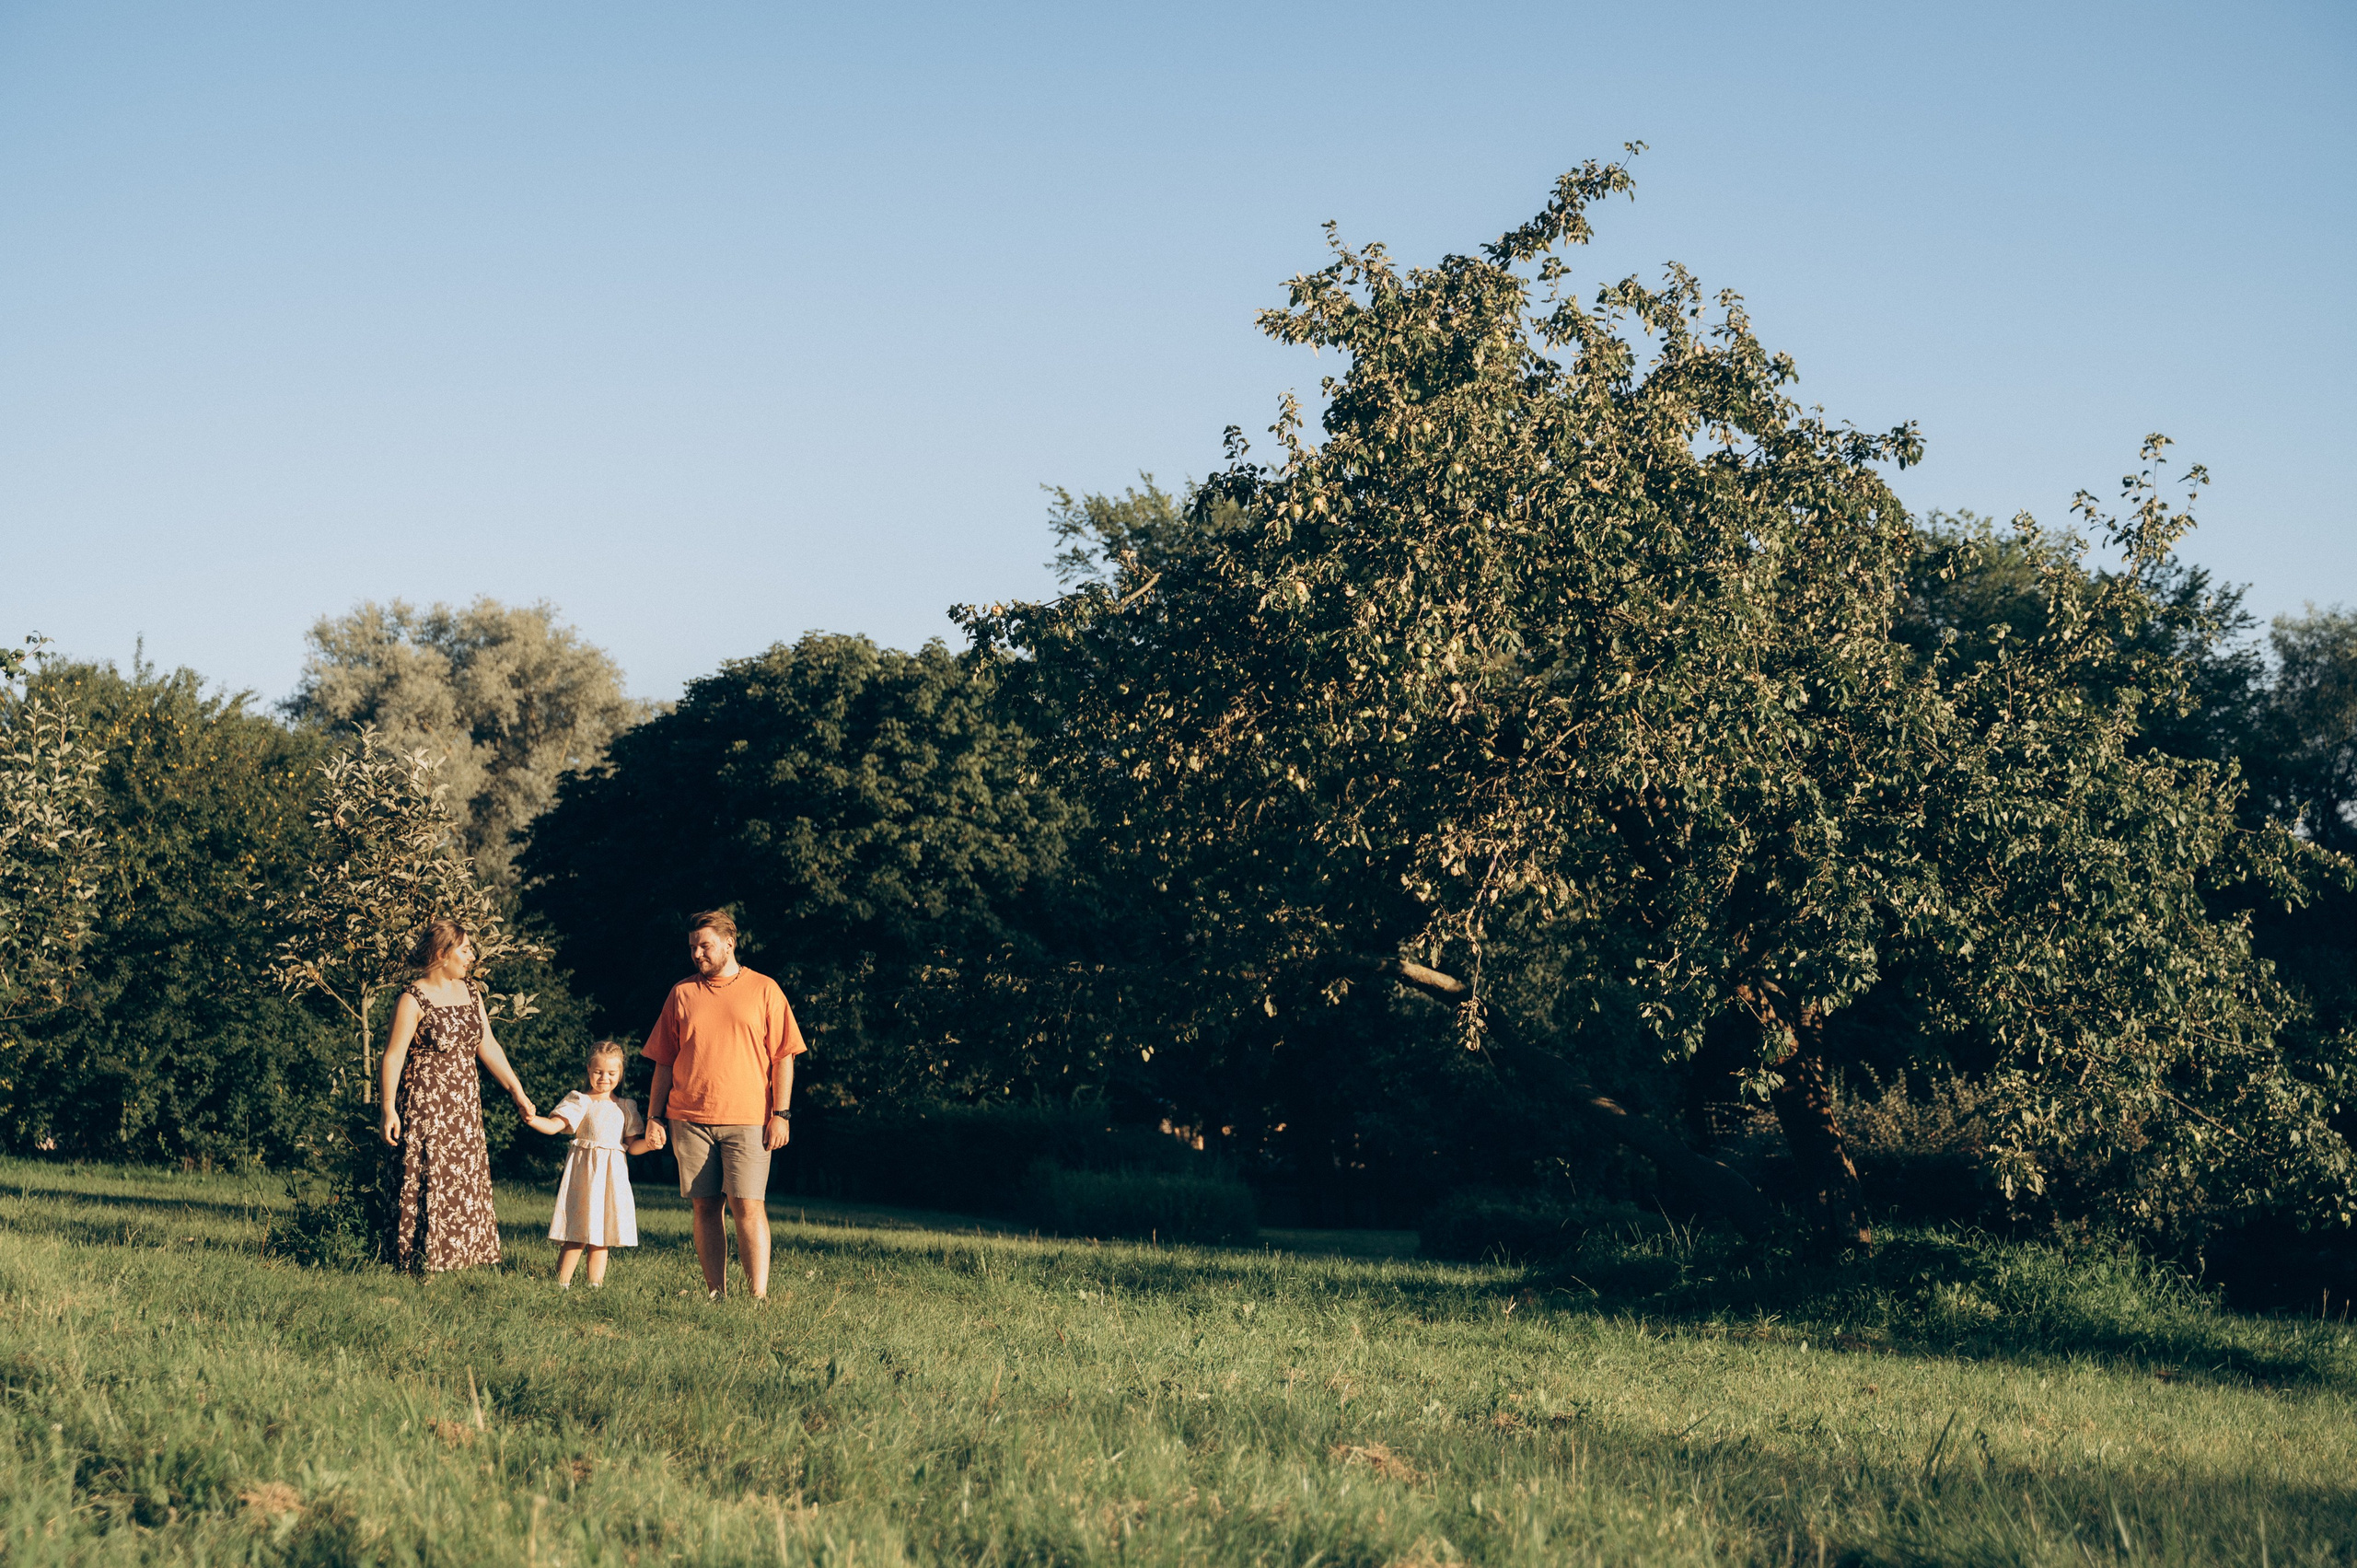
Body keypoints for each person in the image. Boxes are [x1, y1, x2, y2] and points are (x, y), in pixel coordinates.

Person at [641, 910, 804, 1299]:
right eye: (693, 947)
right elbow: (664, 1060)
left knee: (748, 1207)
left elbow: (784, 1057)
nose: (697, 954)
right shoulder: (681, 993)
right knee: (705, 1208)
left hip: (749, 1119)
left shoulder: (765, 989)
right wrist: (654, 1116)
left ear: (730, 943)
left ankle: (758, 1297)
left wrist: (780, 1114)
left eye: (705, 946)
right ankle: (717, 1294)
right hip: (690, 1119)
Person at [378, 919, 538, 1273]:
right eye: (465, 949)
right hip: (426, 1103)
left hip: (464, 1105)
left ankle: (459, 1259)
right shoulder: (412, 997)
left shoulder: (471, 992)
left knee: (462, 1178)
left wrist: (517, 1091)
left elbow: (488, 1045)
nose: (472, 956)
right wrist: (388, 1108)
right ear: (442, 954)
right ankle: (418, 1261)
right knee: (429, 1176)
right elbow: (393, 1055)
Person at [524, 1040, 664, 1288]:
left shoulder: (625, 1106)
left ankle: (594, 1286)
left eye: (611, 1073)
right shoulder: (580, 1101)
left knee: (602, 1234)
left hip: (612, 1176)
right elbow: (555, 1126)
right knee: (577, 1232)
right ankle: (560, 1284)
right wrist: (533, 1120)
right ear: (589, 1069)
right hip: (585, 1175)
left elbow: (632, 1146)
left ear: (620, 1074)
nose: (604, 1078)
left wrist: (650, 1144)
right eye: (598, 1072)